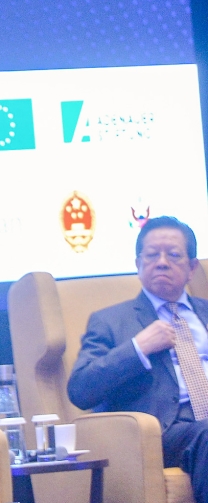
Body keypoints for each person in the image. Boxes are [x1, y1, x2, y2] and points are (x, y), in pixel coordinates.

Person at [68, 215, 208, 502]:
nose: (162, 262)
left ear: (192, 267)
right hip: (162, 432)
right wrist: (137, 348)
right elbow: (81, 389)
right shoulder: (111, 321)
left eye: (173, 255)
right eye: (152, 255)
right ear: (138, 264)